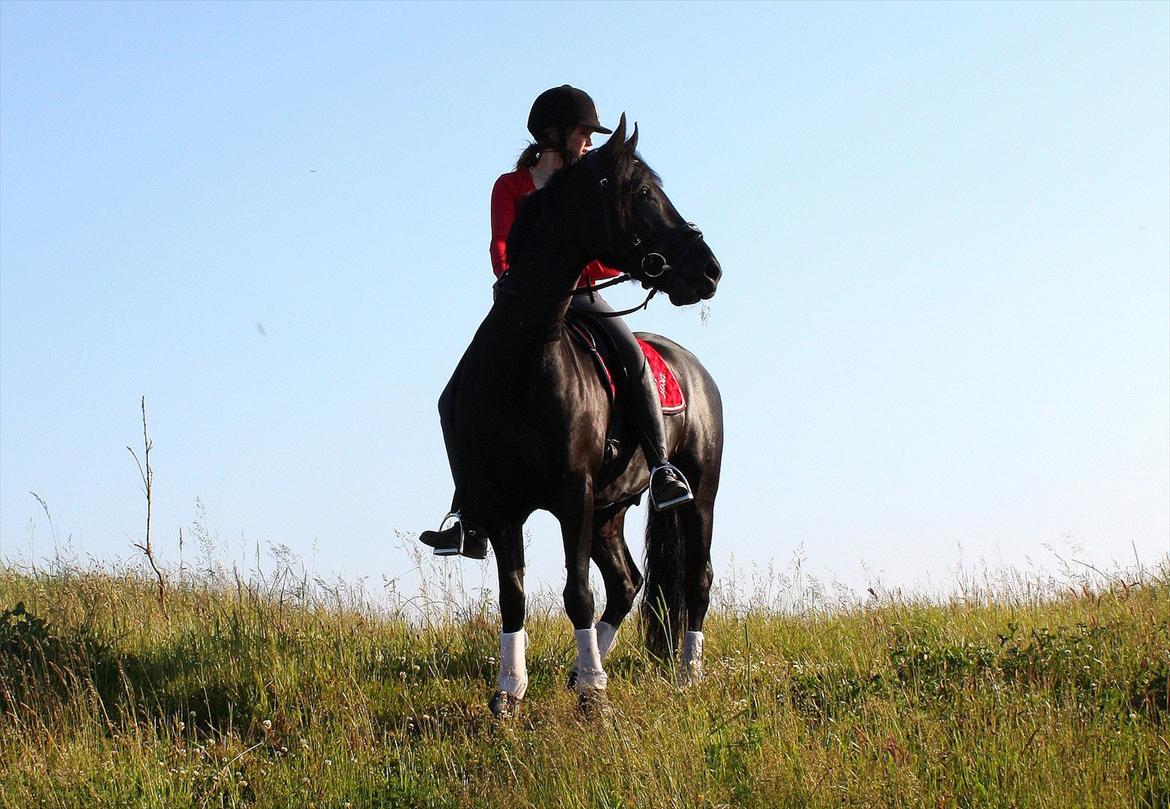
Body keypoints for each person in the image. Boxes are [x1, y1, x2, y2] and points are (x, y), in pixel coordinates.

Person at [420, 85, 692, 559]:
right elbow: (499, 244)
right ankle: (466, 512)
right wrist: (509, 276)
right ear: (556, 133)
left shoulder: (584, 187)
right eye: (584, 135)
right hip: (523, 303)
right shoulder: (511, 186)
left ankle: (663, 468)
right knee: (452, 397)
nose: (588, 144)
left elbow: (601, 247)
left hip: (582, 296)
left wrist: (631, 267)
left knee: (633, 357)